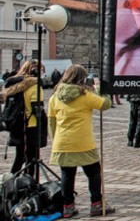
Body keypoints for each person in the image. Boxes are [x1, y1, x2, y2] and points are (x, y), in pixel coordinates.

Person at [48, 64, 115, 218]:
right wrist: (101, 90)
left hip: (62, 142)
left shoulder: (54, 97)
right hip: (83, 141)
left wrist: (55, 141)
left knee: (67, 175)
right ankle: (96, 203)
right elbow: (105, 105)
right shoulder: (84, 94)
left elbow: (51, 122)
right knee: (93, 173)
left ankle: (68, 207)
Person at [2, 61, 42, 176]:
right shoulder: (33, 86)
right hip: (29, 125)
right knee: (31, 159)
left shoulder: (13, 85)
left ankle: (13, 182)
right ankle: (28, 184)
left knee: (19, 157)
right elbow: (37, 109)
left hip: (16, 125)